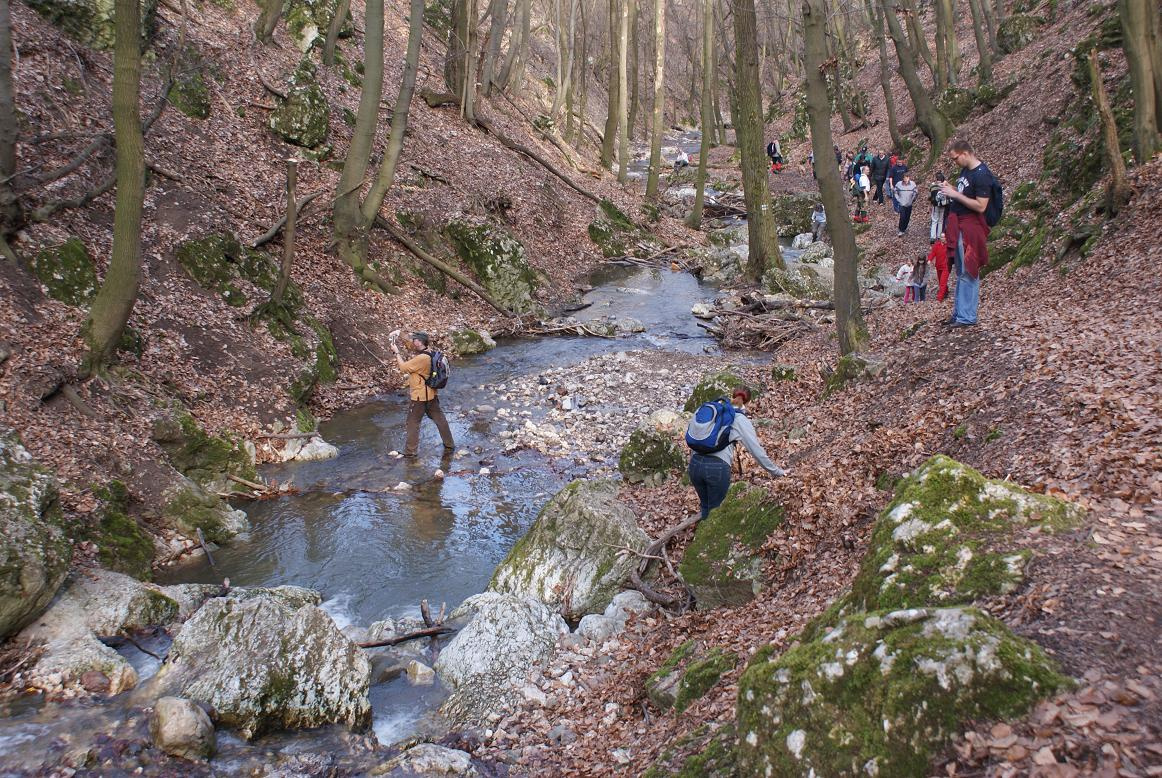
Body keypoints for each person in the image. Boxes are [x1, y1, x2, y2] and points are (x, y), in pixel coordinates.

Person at [687, 388, 786, 520]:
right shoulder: (738, 418)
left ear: (731, 396)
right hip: (716, 469)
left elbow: (696, 437)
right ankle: (710, 539)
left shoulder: (713, 412)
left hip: (694, 465)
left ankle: (700, 537)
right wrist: (777, 472)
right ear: (748, 402)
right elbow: (756, 451)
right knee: (716, 515)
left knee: (706, 508)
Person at [940, 139, 994, 327]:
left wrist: (955, 195)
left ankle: (967, 316)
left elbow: (981, 205)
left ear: (964, 154)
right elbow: (965, 194)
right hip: (959, 226)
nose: (955, 162)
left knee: (969, 271)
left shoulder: (982, 175)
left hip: (971, 228)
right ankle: (959, 313)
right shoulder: (966, 172)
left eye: (955, 159)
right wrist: (952, 190)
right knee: (961, 271)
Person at [391, 331, 455, 457]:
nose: (413, 342)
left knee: (412, 423)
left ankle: (410, 452)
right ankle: (449, 444)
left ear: (419, 342)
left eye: (415, 340)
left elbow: (403, 367)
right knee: (440, 419)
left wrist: (397, 352)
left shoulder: (421, 358)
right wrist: (399, 334)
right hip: (431, 394)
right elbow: (409, 344)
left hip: (419, 397)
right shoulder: (430, 352)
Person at [928, 234, 950, 301]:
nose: (943, 238)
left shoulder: (949, 246)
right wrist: (929, 260)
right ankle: (945, 291)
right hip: (938, 266)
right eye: (942, 237)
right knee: (941, 281)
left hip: (946, 267)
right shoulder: (936, 245)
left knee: (942, 282)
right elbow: (932, 253)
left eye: (944, 237)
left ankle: (939, 298)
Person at [929, 172, 950, 241]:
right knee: (940, 220)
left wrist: (930, 205)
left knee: (934, 220)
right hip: (943, 205)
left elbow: (930, 196)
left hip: (935, 205)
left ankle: (933, 237)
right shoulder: (945, 185)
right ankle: (939, 236)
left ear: (936, 178)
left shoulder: (933, 186)